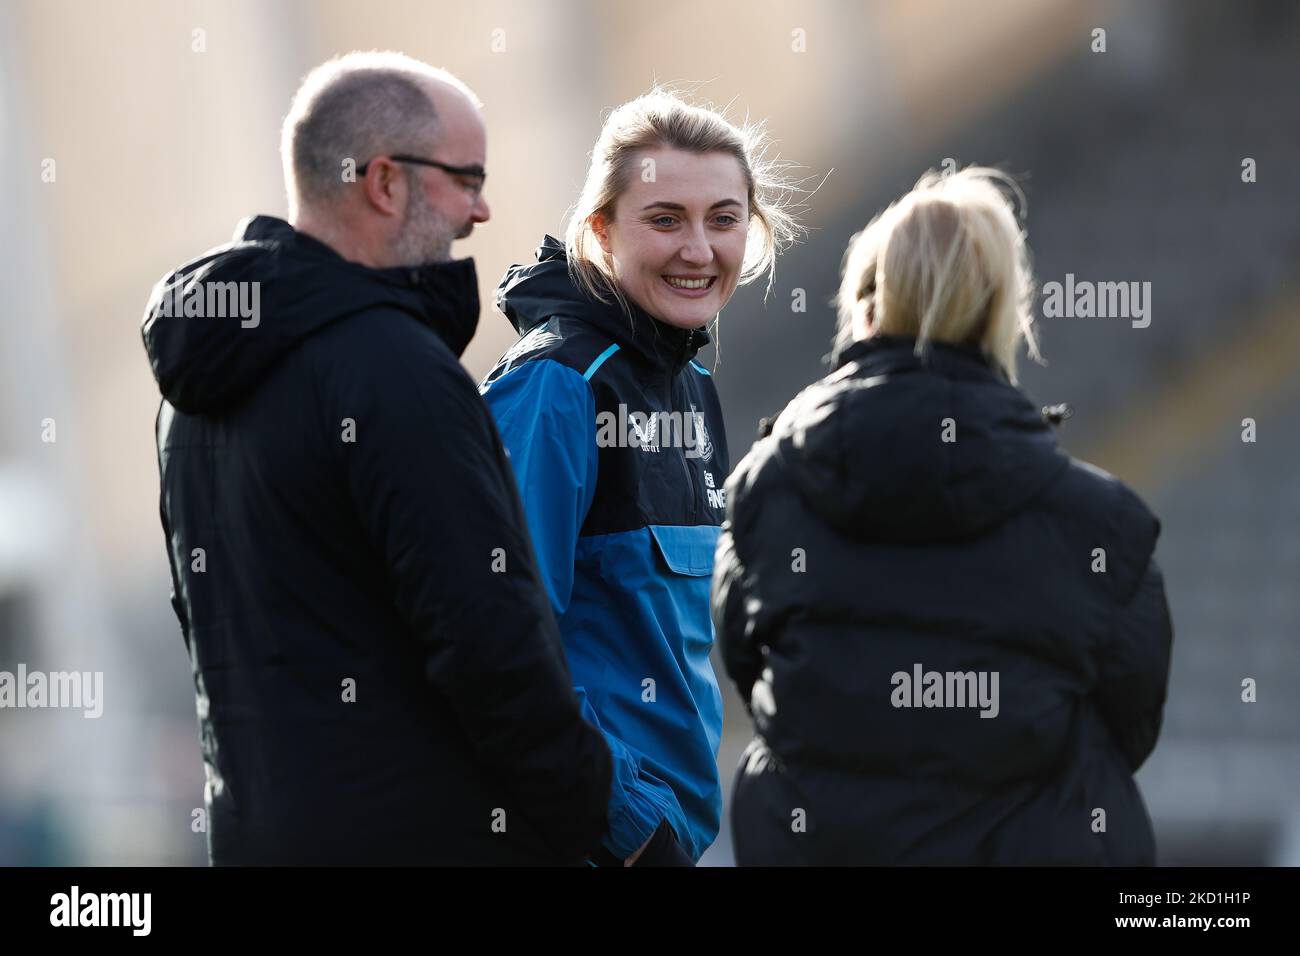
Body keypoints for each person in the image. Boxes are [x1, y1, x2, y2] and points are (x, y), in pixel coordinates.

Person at [140, 51, 611, 865]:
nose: (483, 208)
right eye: (467, 178)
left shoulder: (191, 392)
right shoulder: (393, 367)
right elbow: (490, 650)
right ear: (385, 182)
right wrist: (601, 826)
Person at [713, 166, 1174, 865]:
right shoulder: (1100, 522)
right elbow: (1132, 724)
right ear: (1001, 311)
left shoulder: (763, 493)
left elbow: (748, 668)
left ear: (866, 306)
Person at [479, 89, 798, 865]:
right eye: (665, 220)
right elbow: (499, 648)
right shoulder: (555, 389)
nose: (699, 250)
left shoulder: (690, 386)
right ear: (600, 230)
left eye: (722, 220)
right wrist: (629, 829)